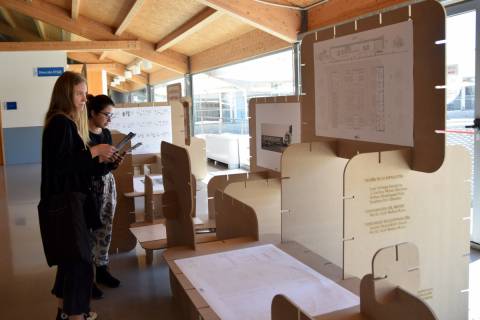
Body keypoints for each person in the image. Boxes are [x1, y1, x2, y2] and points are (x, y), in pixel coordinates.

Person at [39, 71, 116, 320]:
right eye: (79, 94)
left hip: (74, 201)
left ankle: (65, 312)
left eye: (85, 93)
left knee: (70, 260)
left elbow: (82, 167)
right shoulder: (60, 123)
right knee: (79, 261)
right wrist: (94, 151)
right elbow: (62, 166)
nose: (85, 99)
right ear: (66, 94)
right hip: (66, 203)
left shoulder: (68, 123)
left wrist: (107, 162)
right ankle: (75, 315)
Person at [86, 94, 122, 299]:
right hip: (91, 187)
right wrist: (100, 161)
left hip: (108, 184)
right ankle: (87, 277)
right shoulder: (83, 135)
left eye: (111, 115)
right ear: (93, 113)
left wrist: (114, 163)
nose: (109, 119)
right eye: (106, 115)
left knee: (106, 227)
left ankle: (102, 269)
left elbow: (106, 165)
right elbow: (86, 166)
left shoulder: (106, 133)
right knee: (90, 229)